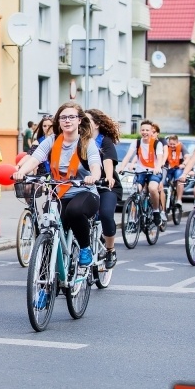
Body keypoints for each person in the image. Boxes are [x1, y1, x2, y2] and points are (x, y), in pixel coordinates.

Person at [14, 102, 102, 266]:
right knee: (48, 222)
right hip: (59, 194)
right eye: (63, 117)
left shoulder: (87, 143)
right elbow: (35, 158)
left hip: (84, 193)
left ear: (79, 120)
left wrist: (94, 176)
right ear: (58, 121)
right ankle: (48, 271)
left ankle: (85, 248)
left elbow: (95, 165)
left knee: (74, 211)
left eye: (71, 117)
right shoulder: (51, 141)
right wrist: (22, 172)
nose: (67, 121)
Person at [85, 108, 121, 269]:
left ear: (97, 124)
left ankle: (110, 249)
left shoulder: (104, 140)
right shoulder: (79, 140)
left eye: (88, 121)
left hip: (106, 186)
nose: (83, 124)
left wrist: (108, 176)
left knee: (106, 214)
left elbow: (108, 160)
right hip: (85, 185)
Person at [117, 120, 164, 226]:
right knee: (135, 191)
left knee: (152, 188)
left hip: (154, 172)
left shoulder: (157, 144)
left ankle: (156, 211)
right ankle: (135, 217)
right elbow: (128, 156)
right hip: (140, 172)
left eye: (147, 130)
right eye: (143, 130)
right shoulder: (136, 143)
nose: (145, 132)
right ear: (140, 131)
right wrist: (122, 167)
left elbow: (160, 158)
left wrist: (157, 167)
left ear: (152, 131)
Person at [163, 134, 189, 214]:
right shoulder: (166, 148)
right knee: (163, 182)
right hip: (168, 168)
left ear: (177, 143)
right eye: (170, 144)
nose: (172, 146)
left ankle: (179, 200)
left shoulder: (181, 147)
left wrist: (184, 164)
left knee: (179, 179)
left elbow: (187, 157)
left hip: (178, 168)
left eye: (174, 144)